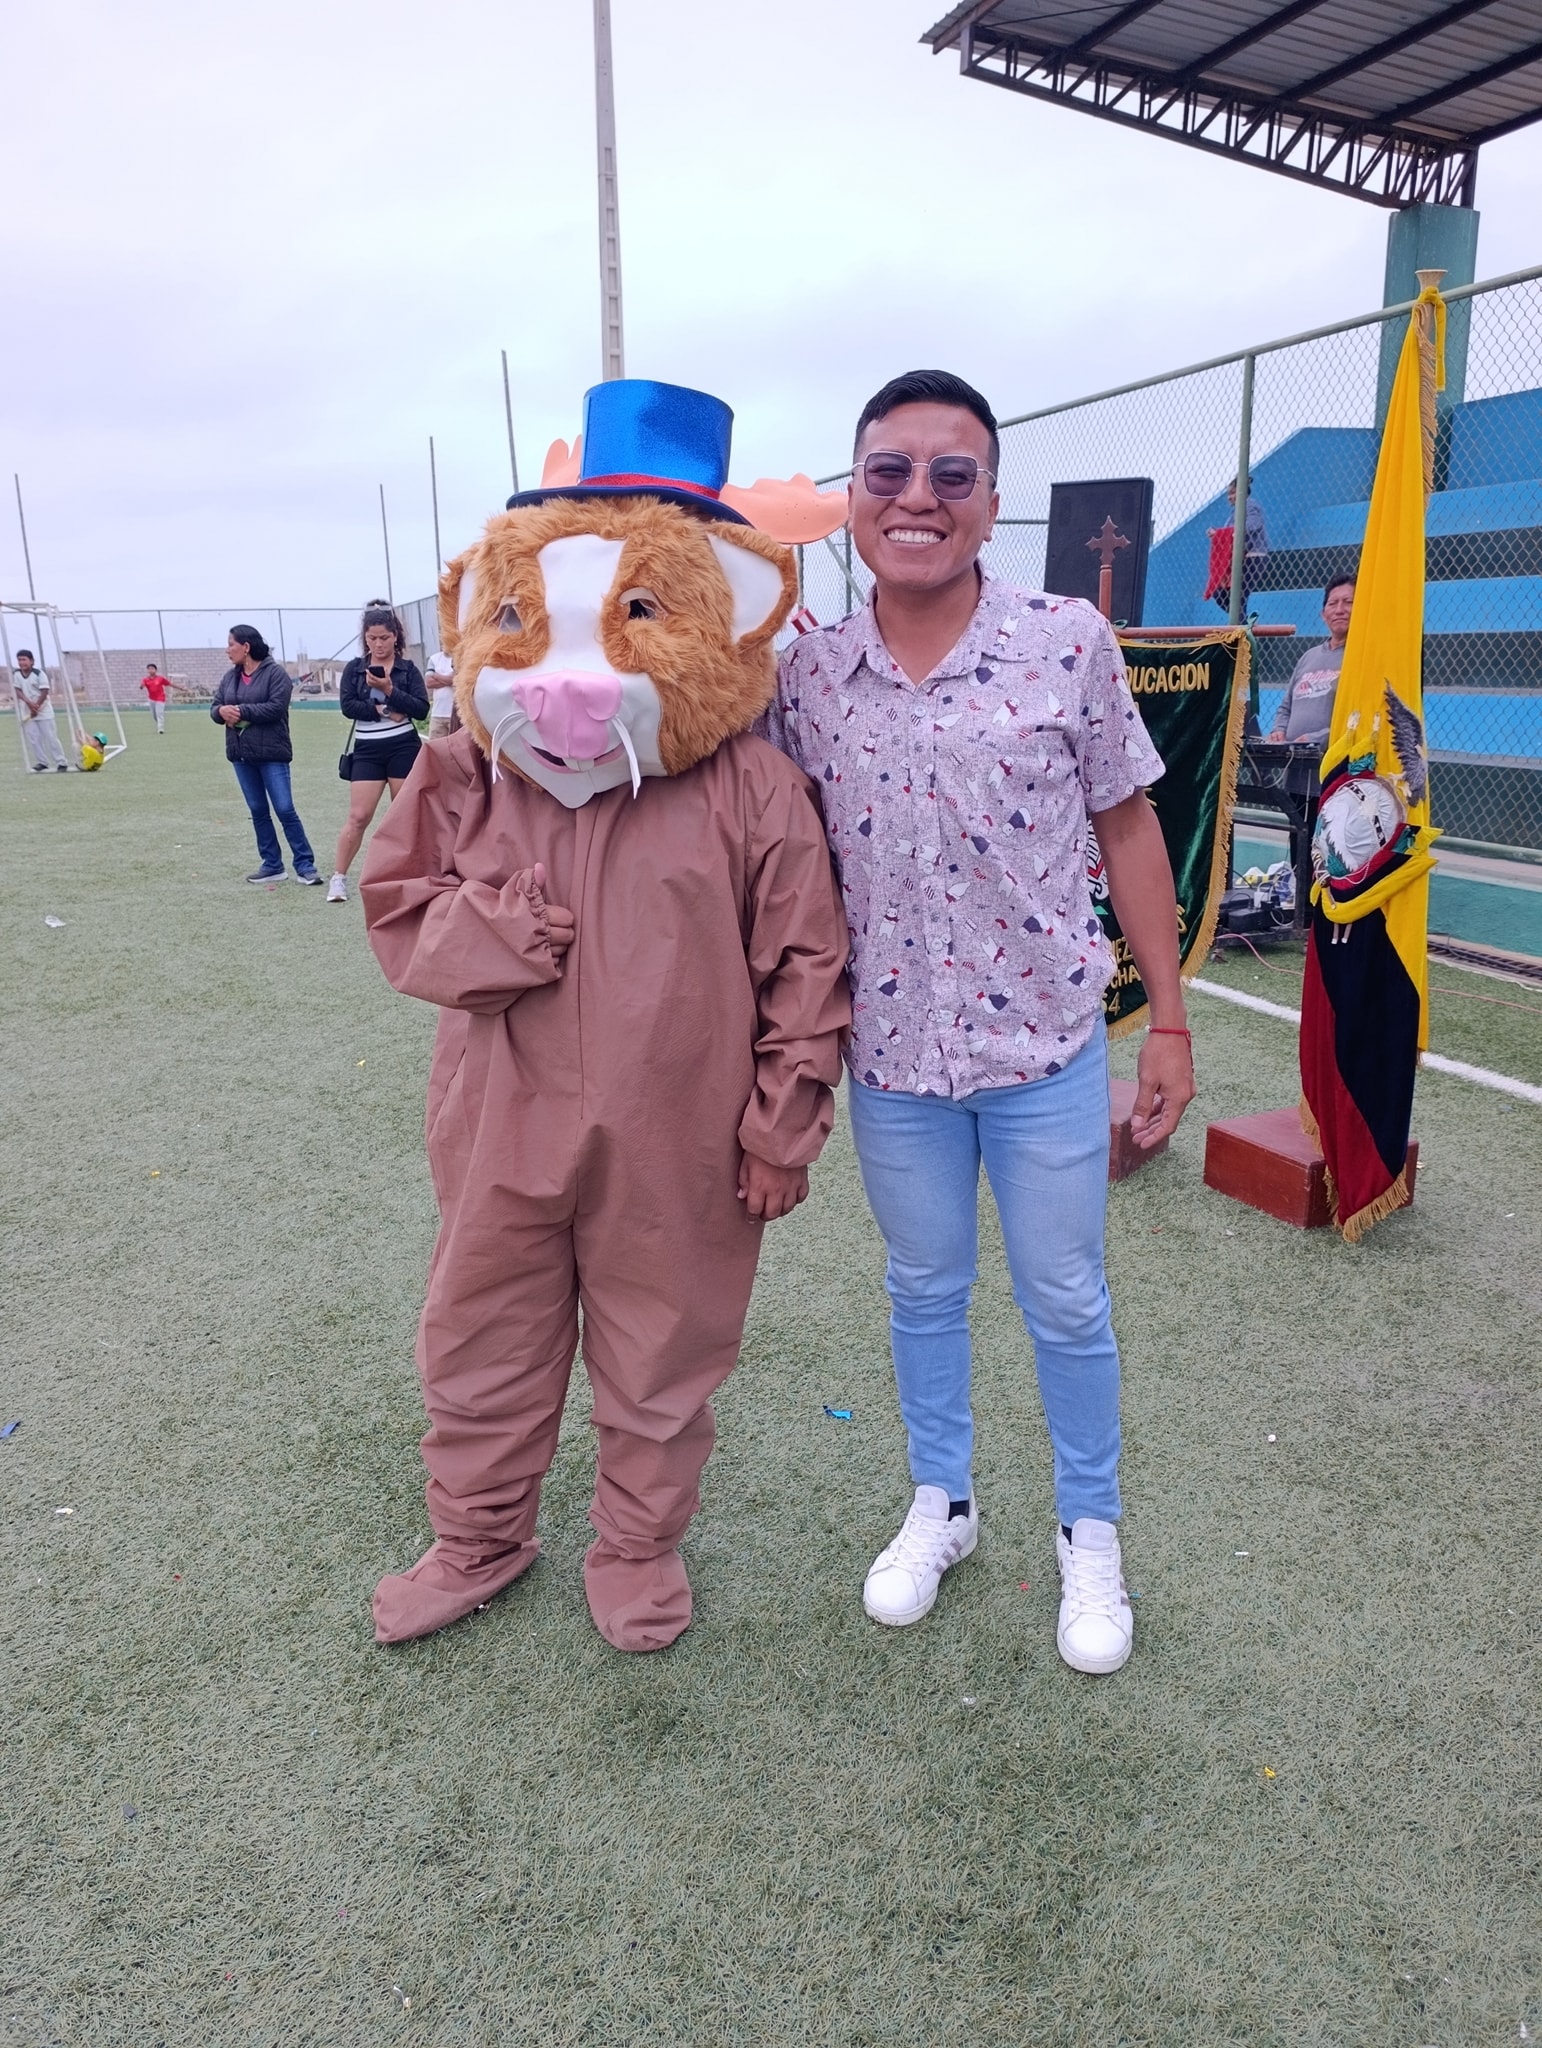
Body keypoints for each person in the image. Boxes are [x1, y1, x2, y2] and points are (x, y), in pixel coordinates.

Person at [761, 368, 1196, 1676]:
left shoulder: (1066, 642)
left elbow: (1129, 827)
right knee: (922, 1289)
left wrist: (1168, 1023)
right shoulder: (807, 677)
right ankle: (942, 1502)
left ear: (992, 503)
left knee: (1065, 1297)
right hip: (893, 1063)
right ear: (851, 498)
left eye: (952, 475)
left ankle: (1088, 1529)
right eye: (887, 471)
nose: (918, 497)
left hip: (1044, 1051)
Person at [326, 602, 429, 903]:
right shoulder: (354, 669)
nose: (378, 644)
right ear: (365, 638)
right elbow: (348, 707)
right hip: (367, 750)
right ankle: (338, 878)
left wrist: (389, 689)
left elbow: (421, 708)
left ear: (395, 636)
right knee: (358, 816)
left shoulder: (408, 670)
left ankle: (408, 877)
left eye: (384, 637)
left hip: (403, 747)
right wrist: (384, 709)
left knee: (404, 816)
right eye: (372, 638)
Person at [210, 625, 322, 884]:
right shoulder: (230, 677)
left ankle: (305, 865)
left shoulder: (276, 674)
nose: (227, 650)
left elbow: (275, 708)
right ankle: (272, 865)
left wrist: (240, 711)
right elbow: (215, 706)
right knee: (258, 810)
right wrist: (220, 712)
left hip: (272, 754)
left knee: (285, 809)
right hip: (240, 755)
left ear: (246, 647)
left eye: (231, 644)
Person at [1267, 576, 1355, 746]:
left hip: (1332, 758)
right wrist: (1279, 730)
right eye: (1332, 603)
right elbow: (1286, 706)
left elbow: (1360, 718)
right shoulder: (1308, 657)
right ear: (1323, 614)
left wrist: (1319, 739)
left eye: (1348, 602)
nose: (1339, 610)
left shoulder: (1361, 658)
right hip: (1292, 756)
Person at [12, 650, 70, 771]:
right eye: (19, 660)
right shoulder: (16, 674)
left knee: (51, 737)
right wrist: (29, 704)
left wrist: (36, 706)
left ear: (31, 661)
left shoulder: (39, 674)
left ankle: (61, 762)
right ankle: (42, 762)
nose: (21, 662)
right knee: (34, 738)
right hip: (27, 710)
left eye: (24, 660)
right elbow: (18, 690)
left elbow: (44, 691)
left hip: (43, 710)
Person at [426, 649, 455, 740]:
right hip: (437, 715)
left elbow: (455, 679)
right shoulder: (433, 659)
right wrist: (448, 679)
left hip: (455, 715)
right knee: (435, 746)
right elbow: (429, 682)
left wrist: (436, 675)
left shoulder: (459, 656)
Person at [139, 662, 170, 733]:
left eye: (152, 669)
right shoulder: (145, 679)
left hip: (160, 699)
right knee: (155, 715)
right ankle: (159, 724)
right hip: (152, 699)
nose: (150, 670)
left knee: (159, 713)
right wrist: (141, 686)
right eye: (149, 669)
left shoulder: (160, 678)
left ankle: (160, 729)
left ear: (155, 670)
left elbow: (169, 684)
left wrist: (181, 688)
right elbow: (142, 685)